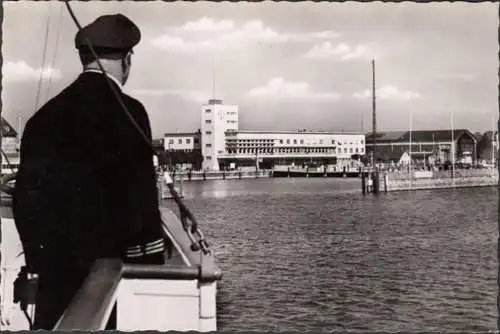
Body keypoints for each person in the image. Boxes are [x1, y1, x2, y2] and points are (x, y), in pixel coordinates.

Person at [12, 14, 165, 330]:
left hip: (54, 277)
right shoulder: (130, 113)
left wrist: (39, 261)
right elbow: (141, 203)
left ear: (85, 57)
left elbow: (25, 202)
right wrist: (149, 268)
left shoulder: (42, 118)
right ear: (126, 59)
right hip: (107, 279)